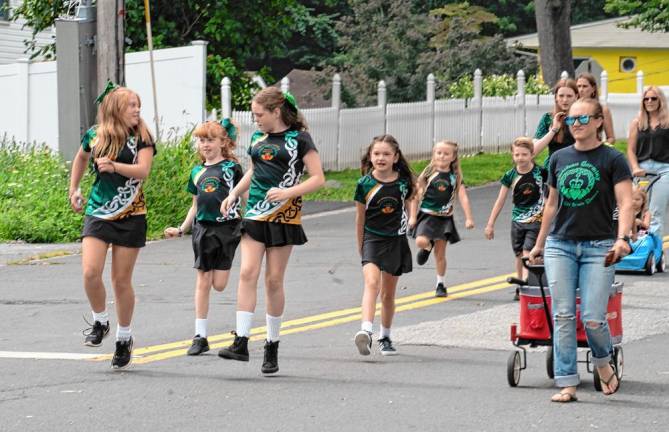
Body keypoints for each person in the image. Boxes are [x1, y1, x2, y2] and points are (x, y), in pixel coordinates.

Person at [529, 98, 633, 403]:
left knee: (592, 317)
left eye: (583, 119)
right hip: (560, 244)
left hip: (599, 245)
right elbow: (550, 205)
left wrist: (622, 238)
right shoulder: (559, 158)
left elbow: (626, 202)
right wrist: (538, 244)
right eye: (572, 120)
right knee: (562, 315)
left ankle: (602, 360)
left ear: (599, 121)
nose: (577, 124)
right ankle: (567, 383)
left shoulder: (613, 159)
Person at [217, 88, 325, 374]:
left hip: (283, 215)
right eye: (254, 115)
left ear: (276, 111)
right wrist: (233, 194)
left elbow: (318, 179)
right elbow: (254, 171)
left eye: (260, 115)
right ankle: (241, 341)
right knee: (246, 272)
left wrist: (288, 192)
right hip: (254, 212)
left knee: (273, 281)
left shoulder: (300, 139)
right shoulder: (257, 138)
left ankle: (272, 344)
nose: (256, 121)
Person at [68, 84, 156, 369]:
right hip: (97, 211)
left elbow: (143, 171)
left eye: (138, 105)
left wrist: (115, 167)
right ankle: (100, 321)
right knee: (90, 272)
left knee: (120, 280)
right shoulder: (94, 135)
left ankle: (124, 337)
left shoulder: (141, 136)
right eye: (131, 105)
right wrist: (74, 189)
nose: (137, 109)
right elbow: (81, 158)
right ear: (116, 108)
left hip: (131, 214)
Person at [164, 119, 243, 356]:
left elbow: (244, 194)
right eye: (201, 140)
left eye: (210, 140)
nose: (205, 145)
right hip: (203, 229)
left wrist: (250, 219)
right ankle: (200, 336)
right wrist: (182, 228)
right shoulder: (197, 172)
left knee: (219, 285)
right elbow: (195, 204)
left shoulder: (231, 168)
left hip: (227, 229)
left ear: (222, 143)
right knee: (203, 280)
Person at [353, 134, 415, 356]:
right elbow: (360, 218)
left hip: (395, 240)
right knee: (371, 283)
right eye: (377, 153)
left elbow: (411, 202)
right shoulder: (364, 184)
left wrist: (413, 219)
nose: (381, 158)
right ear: (370, 156)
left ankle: (385, 336)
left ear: (395, 157)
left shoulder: (402, 183)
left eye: (386, 154)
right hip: (372, 239)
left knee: (388, 295)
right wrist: (361, 245)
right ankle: (365, 331)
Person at [484, 137, 547, 300]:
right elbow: (500, 200)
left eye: (524, 154)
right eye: (517, 155)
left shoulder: (540, 173)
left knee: (528, 251)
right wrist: (490, 223)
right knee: (519, 253)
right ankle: (520, 285)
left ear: (532, 154)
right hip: (517, 220)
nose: (520, 158)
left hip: (536, 220)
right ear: (512, 155)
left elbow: (550, 195)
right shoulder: (510, 176)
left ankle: (526, 281)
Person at [409, 140, 474, 298]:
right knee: (420, 241)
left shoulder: (455, 176)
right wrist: (412, 216)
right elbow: (415, 197)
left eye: (446, 154)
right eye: (439, 153)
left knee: (440, 254)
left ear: (453, 157)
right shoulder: (428, 173)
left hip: (444, 219)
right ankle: (427, 246)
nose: (442, 156)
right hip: (427, 215)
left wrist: (468, 218)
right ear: (434, 154)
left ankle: (440, 283)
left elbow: (463, 197)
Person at [626, 85, 669, 238]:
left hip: (664, 170)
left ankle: (654, 251)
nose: (649, 101)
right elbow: (630, 150)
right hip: (642, 169)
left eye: (653, 98)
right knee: (636, 209)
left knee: (655, 211)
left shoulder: (667, 122)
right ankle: (636, 243)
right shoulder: (637, 122)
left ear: (660, 100)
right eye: (646, 99)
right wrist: (635, 167)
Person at [533, 79, 578, 166]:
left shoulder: (582, 118)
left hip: (576, 166)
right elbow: (533, 151)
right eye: (561, 96)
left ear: (576, 96)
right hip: (553, 167)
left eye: (569, 96)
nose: (565, 100)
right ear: (556, 97)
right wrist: (553, 130)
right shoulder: (547, 118)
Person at [576, 73, 615, 144]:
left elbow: (611, 138)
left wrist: (600, 148)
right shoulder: (572, 109)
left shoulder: (602, 110)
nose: (581, 90)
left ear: (593, 89)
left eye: (585, 86)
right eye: (579, 86)